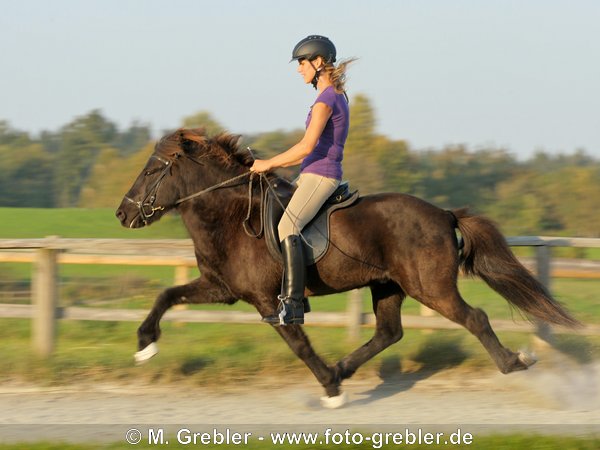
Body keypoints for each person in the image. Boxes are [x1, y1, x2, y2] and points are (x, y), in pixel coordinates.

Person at [250, 35, 355, 325]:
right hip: (310, 173)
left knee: (288, 224)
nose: (299, 69)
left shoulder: (326, 100)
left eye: (301, 62)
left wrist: (268, 163)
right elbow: (305, 152)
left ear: (318, 62)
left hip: (321, 175)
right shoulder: (332, 96)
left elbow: (306, 147)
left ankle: (294, 304)